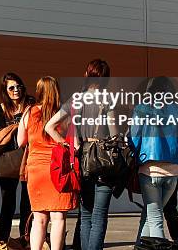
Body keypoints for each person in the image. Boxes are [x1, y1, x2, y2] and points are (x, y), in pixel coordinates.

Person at [45, 59, 117, 250]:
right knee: (99, 216)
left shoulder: (77, 98)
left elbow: (49, 126)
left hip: (81, 160)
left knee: (85, 215)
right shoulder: (108, 99)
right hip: (103, 161)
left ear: (87, 75)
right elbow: (114, 134)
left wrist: (68, 145)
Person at [18, 76, 77, 250]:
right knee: (58, 218)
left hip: (35, 169)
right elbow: (73, 139)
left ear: (39, 91)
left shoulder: (29, 112)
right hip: (58, 168)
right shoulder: (63, 113)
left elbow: (21, 141)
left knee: (39, 218)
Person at [130, 77, 178, 242]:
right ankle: (140, 245)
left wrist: (134, 154)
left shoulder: (141, 108)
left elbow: (134, 137)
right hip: (172, 172)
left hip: (150, 169)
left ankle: (154, 246)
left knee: (155, 219)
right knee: (150, 214)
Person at [0, 72, 34, 250]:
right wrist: (16, 126)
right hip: (9, 160)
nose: (16, 90)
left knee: (28, 202)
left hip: (29, 158)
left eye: (19, 86)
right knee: (7, 201)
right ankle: (3, 239)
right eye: (11, 88)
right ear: (5, 91)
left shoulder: (31, 104)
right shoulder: (1, 109)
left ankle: (26, 239)